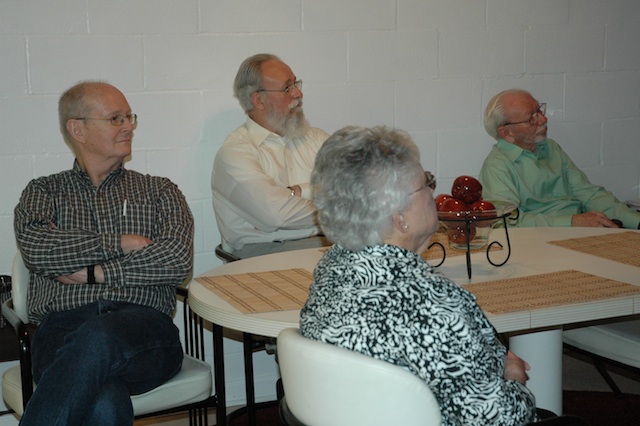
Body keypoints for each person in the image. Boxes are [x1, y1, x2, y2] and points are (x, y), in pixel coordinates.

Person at [300, 125, 545, 425]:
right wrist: (515, 380)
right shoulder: (430, 304)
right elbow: (500, 419)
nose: (433, 191)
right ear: (399, 219)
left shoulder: (332, 268)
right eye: (426, 183)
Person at [13, 81, 194, 426]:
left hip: (145, 331)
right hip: (62, 329)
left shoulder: (159, 191)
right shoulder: (43, 192)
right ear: (77, 129)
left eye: (129, 117)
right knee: (105, 402)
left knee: (100, 335)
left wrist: (97, 272)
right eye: (115, 118)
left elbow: (175, 259)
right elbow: (39, 250)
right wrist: (121, 243)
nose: (128, 126)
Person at [211, 53, 330, 259]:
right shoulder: (235, 152)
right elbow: (276, 215)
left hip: (329, 244)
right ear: (258, 100)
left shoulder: (318, 139)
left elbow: (360, 190)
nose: (298, 93)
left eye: (296, 83)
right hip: (269, 252)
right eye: (287, 88)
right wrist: (340, 211)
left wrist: (300, 191)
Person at [480, 89, 640, 229]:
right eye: (531, 119)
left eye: (539, 111)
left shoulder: (550, 148)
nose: (543, 120)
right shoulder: (497, 166)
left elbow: (588, 194)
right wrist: (571, 222)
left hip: (581, 230)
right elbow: (507, 223)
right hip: (543, 242)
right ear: (507, 133)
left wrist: (636, 221)